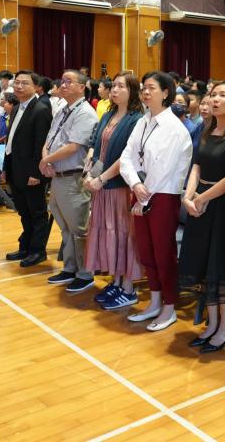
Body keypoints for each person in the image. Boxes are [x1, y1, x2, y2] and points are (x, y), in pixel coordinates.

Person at [119, 72, 192, 330]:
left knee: (163, 253)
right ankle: (154, 301)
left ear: (166, 93)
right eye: (143, 88)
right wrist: (135, 184)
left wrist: (143, 192)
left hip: (162, 196)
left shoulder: (174, 128)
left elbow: (165, 167)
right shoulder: (143, 121)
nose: (145, 93)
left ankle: (169, 307)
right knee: (146, 252)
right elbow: (127, 155)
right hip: (141, 192)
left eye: (151, 88)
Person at [180, 82, 225, 352]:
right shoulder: (207, 129)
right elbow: (196, 165)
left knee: (222, 270)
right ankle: (212, 323)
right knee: (207, 268)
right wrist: (188, 196)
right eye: (213, 94)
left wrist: (201, 198)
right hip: (200, 203)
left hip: (224, 207)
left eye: (222, 95)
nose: (215, 100)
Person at [84, 72, 144, 309]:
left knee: (123, 236)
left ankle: (128, 288)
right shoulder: (108, 114)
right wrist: (91, 172)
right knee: (108, 234)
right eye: (113, 86)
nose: (114, 90)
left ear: (132, 91)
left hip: (120, 187)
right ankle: (117, 281)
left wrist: (102, 178)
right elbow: (97, 147)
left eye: (121, 86)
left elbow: (126, 158)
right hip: (102, 184)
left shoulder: (136, 119)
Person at [40, 70, 99, 293]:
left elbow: (74, 146)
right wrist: (45, 159)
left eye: (68, 82)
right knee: (64, 226)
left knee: (79, 228)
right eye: (62, 81)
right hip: (57, 176)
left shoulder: (85, 112)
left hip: (73, 177)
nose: (62, 85)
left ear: (82, 87)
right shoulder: (63, 110)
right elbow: (50, 139)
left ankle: (85, 274)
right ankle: (70, 267)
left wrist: (47, 160)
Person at [2, 71, 53, 267]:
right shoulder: (16, 108)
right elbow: (11, 141)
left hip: (32, 171)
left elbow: (41, 143)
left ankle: (37, 250)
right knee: (23, 211)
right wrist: (7, 167)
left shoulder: (40, 109)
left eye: (24, 83)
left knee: (37, 212)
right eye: (17, 83)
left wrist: (36, 173)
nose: (19, 86)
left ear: (36, 87)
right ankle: (25, 246)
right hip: (16, 167)